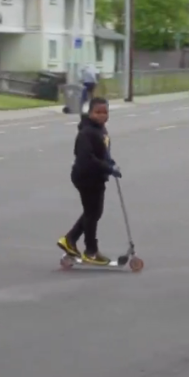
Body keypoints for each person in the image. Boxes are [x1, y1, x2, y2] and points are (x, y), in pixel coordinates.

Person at [57, 97, 122, 265]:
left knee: (93, 212)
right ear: (90, 112)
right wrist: (108, 168)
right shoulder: (86, 133)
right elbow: (87, 158)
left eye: (105, 112)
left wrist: (110, 163)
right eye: (97, 112)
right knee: (92, 213)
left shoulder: (100, 129)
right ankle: (90, 251)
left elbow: (102, 151)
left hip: (97, 176)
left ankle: (70, 240)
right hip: (86, 177)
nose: (102, 115)